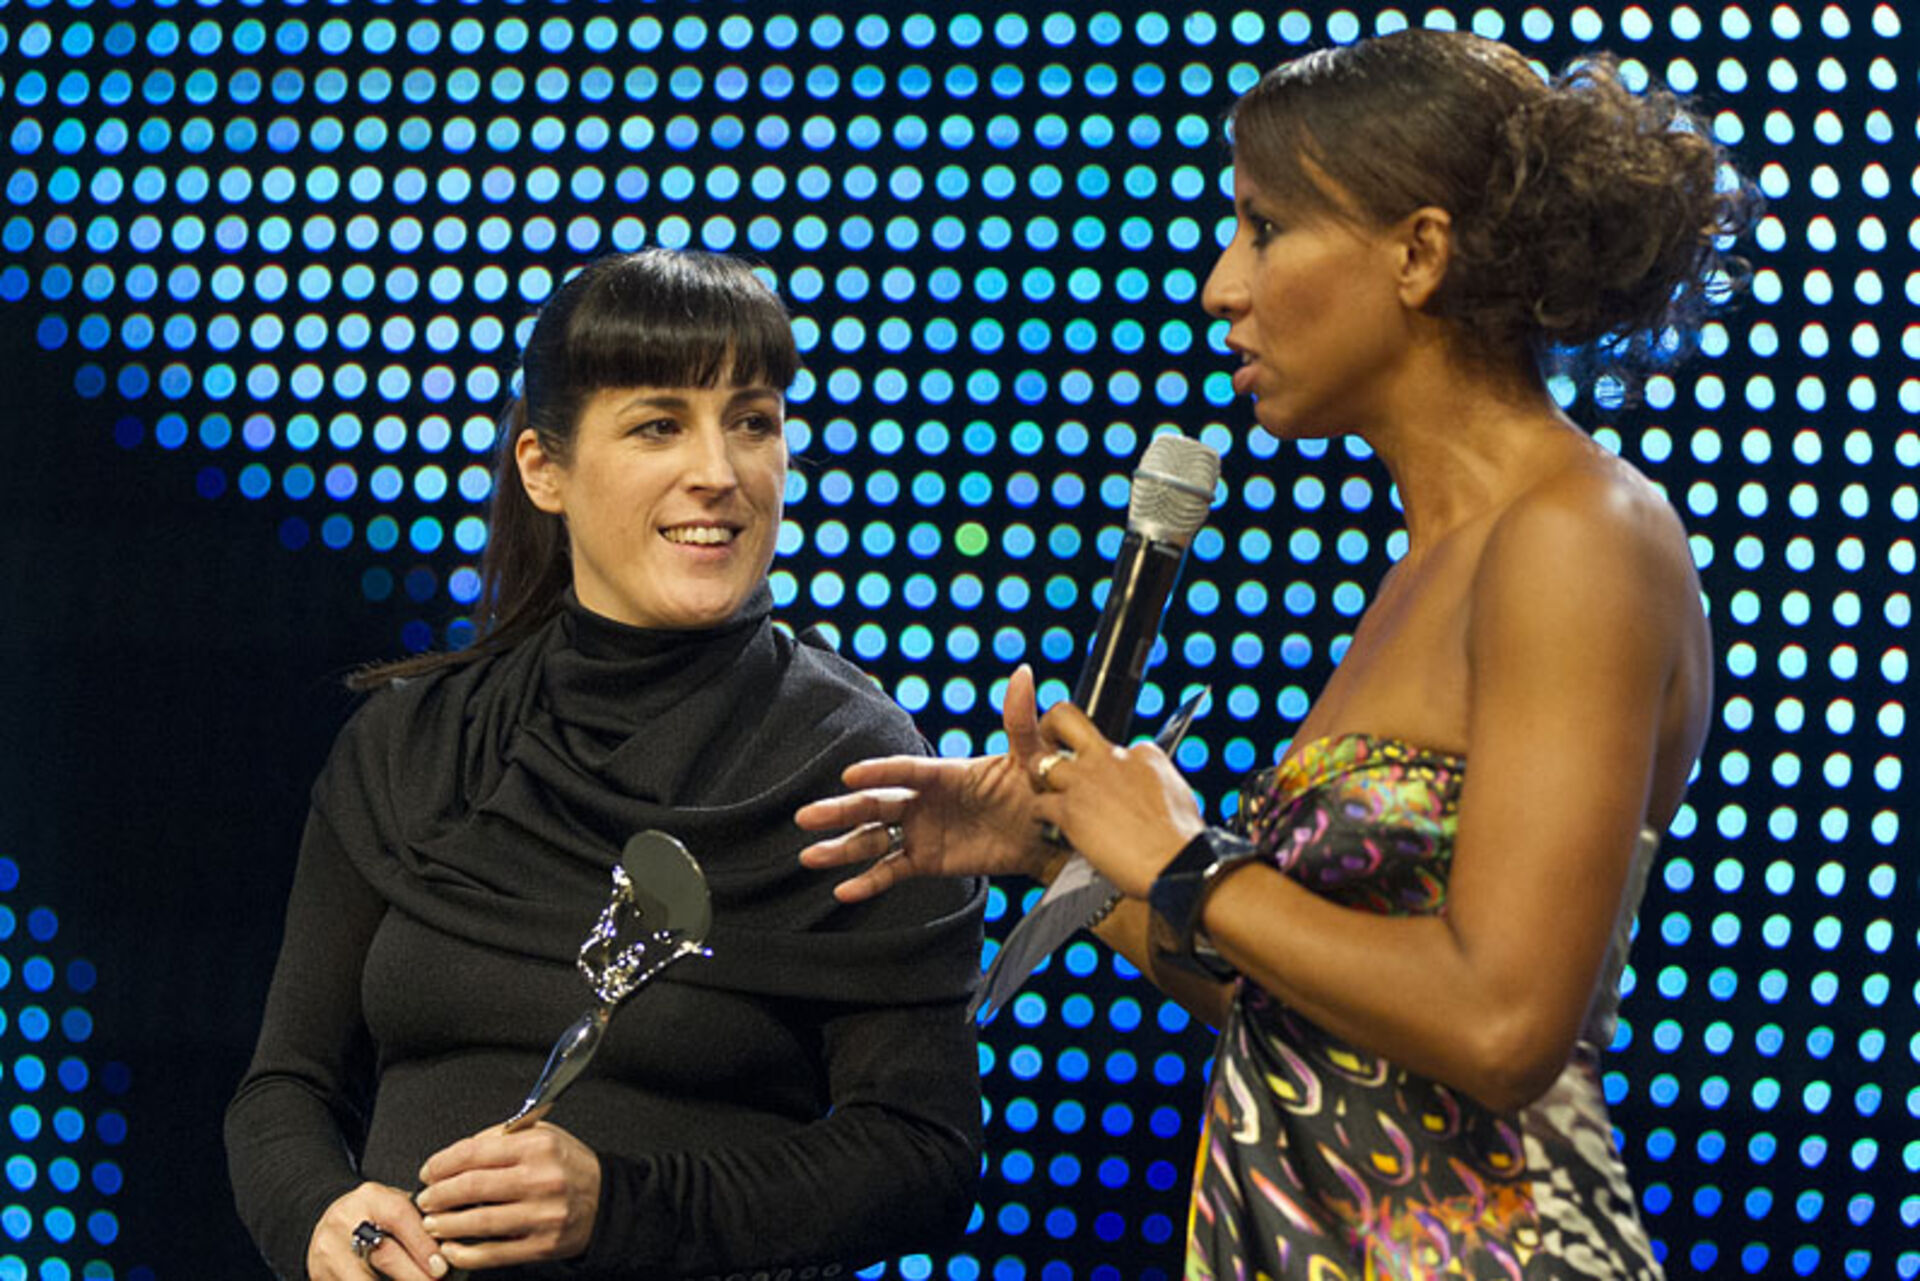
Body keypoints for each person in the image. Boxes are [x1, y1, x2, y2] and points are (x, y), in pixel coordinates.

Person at [797, 30, 1751, 1280]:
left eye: (1265, 228)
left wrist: (1189, 861)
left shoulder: (1578, 534)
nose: (1219, 287)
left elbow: (1504, 1025)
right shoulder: (1436, 562)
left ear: (1418, 253)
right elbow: (1314, 1022)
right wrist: (1067, 853)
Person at [226, 248, 985, 1280]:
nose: (719, 471)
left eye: (753, 422)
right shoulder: (414, 743)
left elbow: (922, 1152)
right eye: (659, 425)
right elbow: (284, 1089)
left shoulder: (855, 763)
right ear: (544, 468)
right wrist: (321, 1215)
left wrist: (624, 1207)